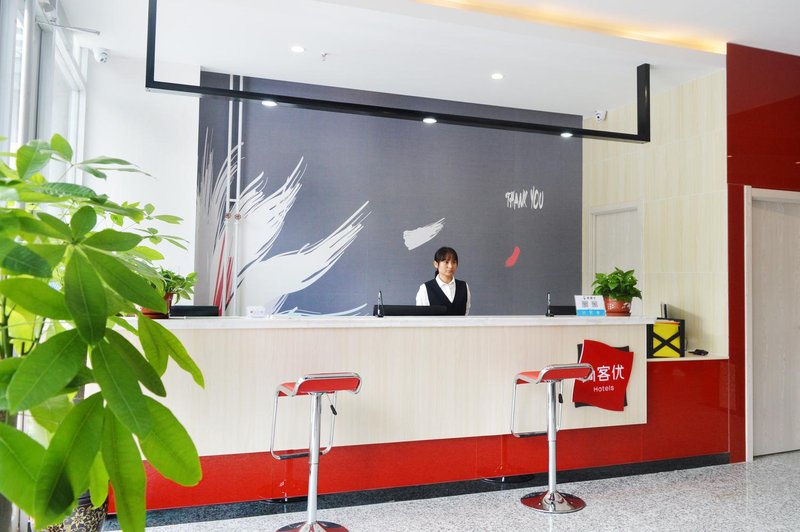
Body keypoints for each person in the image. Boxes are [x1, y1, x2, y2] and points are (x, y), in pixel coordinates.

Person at [415, 246, 471, 315]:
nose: (450, 266)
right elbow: (421, 316)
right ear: (436, 264)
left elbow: (466, 313)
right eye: (446, 262)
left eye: (454, 262)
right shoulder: (425, 288)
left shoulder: (464, 286)